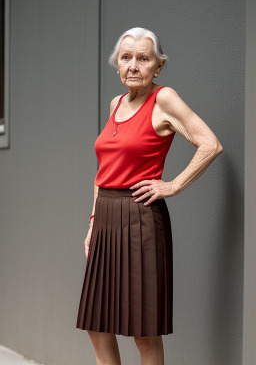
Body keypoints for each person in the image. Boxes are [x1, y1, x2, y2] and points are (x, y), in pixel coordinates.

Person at [76, 27, 223, 365]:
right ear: (117, 65)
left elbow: (210, 144)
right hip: (106, 220)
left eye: (143, 58)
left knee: (143, 333)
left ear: (158, 67)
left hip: (140, 221)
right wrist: (93, 222)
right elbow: (103, 172)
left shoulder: (164, 99)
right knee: (97, 326)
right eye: (126, 57)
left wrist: (171, 186)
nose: (133, 65)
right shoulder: (116, 104)